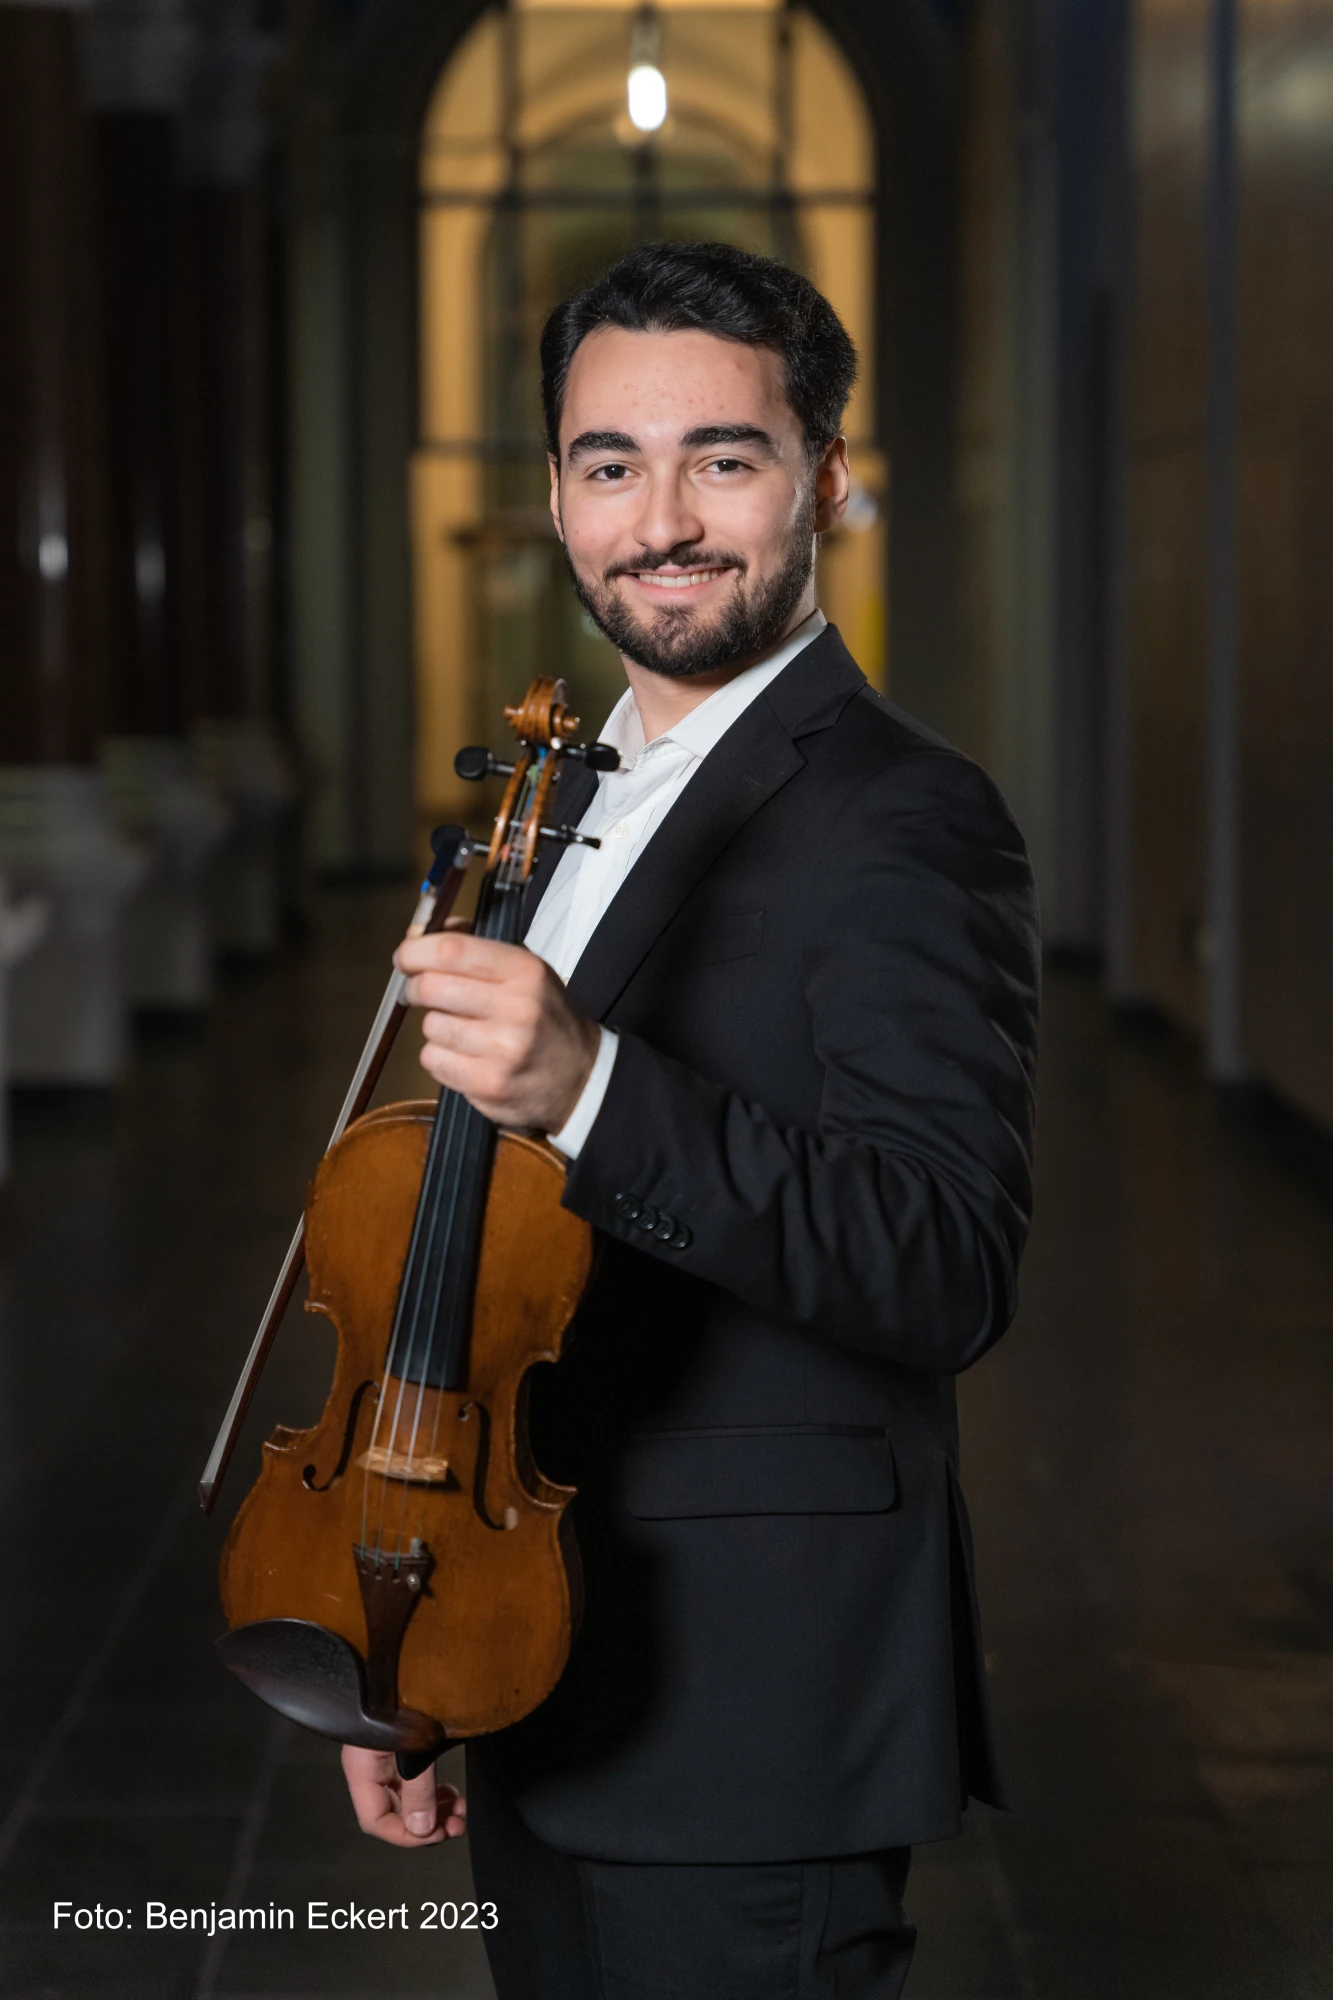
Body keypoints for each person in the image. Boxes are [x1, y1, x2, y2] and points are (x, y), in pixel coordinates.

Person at [339, 240, 1040, 1999]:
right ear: (559, 501)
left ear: (828, 485)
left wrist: (593, 1086)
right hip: (529, 1634)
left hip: (752, 1704)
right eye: (608, 463)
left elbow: (941, 1263)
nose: (663, 518)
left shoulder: (905, 817)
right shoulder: (556, 809)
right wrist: (403, 1650)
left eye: (723, 457)